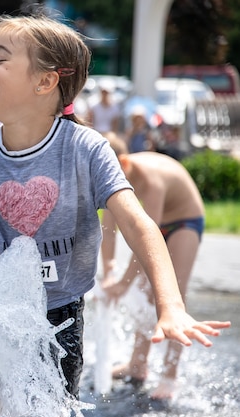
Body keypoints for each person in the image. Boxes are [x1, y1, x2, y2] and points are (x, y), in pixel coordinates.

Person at [0, 13, 230, 405]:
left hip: (60, 313)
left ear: (45, 82)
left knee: (50, 408)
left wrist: (170, 305)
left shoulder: (85, 149)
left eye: (0, 58)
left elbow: (138, 224)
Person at [100, 135, 206, 399]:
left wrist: (124, 284)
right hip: (158, 227)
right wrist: (109, 272)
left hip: (184, 222)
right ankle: (138, 363)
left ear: (122, 163)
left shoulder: (151, 178)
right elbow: (108, 231)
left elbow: (148, 238)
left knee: (171, 294)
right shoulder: (113, 179)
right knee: (147, 293)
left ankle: (170, 375)